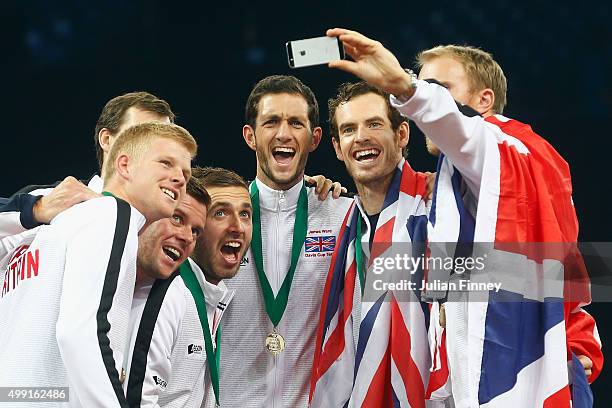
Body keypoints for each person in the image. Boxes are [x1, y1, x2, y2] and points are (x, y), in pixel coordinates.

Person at [322, 28, 602, 407]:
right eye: (426, 86)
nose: (429, 100)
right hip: (475, 376)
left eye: (441, 88)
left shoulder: (499, 147)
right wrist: (579, 334)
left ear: (484, 101)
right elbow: (557, 265)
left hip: (505, 380)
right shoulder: (466, 182)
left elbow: (464, 132)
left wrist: (404, 87)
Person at [0, 122, 197, 407]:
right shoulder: (110, 213)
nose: (179, 178)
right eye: (166, 163)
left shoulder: (44, 230)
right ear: (125, 165)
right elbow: (82, 334)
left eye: (185, 173)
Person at [218, 75, 353, 407]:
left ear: (314, 138)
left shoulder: (343, 216)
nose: (283, 133)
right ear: (250, 136)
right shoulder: (216, 220)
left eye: (296, 123)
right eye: (271, 122)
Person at [310, 80, 432, 407]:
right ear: (337, 147)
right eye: (349, 129)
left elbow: (508, 286)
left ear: (402, 135)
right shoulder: (336, 219)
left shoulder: (437, 211)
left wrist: (575, 341)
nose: (361, 136)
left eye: (374, 124)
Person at [125, 167, 252, 408]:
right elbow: (138, 402)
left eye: (245, 214)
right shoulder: (169, 295)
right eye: (221, 213)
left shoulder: (210, 297)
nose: (237, 226)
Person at [0, 91, 174, 237]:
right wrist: (38, 209)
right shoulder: (47, 197)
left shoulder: (176, 231)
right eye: (142, 135)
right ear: (106, 140)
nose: (156, 149)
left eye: (166, 141)